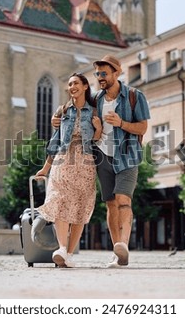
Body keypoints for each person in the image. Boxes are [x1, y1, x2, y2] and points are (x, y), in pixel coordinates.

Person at [35, 73, 102, 268]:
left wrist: (97, 129)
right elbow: (55, 140)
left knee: (80, 206)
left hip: (86, 162)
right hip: (63, 160)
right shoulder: (62, 111)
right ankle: (62, 249)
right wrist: (46, 167)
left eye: (75, 84)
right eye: (69, 84)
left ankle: (69, 255)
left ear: (85, 87)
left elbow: (98, 141)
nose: (71, 87)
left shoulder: (94, 111)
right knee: (60, 202)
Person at [91, 54, 150, 268]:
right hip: (102, 156)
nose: (100, 77)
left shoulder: (134, 96)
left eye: (104, 73)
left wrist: (121, 122)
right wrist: (58, 118)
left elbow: (142, 127)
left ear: (117, 73)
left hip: (127, 156)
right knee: (111, 205)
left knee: (123, 200)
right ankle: (117, 252)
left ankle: (123, 246)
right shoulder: (95, 99)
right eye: (98, 74)